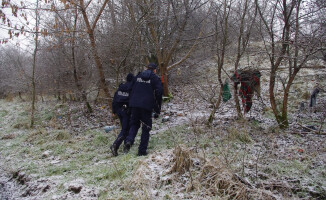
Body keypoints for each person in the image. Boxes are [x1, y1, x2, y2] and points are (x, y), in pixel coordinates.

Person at [124, 63, 163, 156]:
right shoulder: (154, 78)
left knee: (134, 124)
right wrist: (158, 108)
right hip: (146, 106)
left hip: (134, 105)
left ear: (147, 68)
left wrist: (129, 103)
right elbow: (159, 92)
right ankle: (141, 151)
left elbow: (129, 88)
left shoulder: (138, 76)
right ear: (154, 70)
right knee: (146, 128)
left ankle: (129, 140)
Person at [110, 73, 134, 156]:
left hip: (118, 110)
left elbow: (114, 100)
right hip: (125, 111)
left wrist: (114, 111)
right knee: (125, 130)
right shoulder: (131, 88)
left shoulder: (120, 88)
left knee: (125, 128)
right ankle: (115, 145)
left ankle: (125, 146)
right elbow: (131, 101)